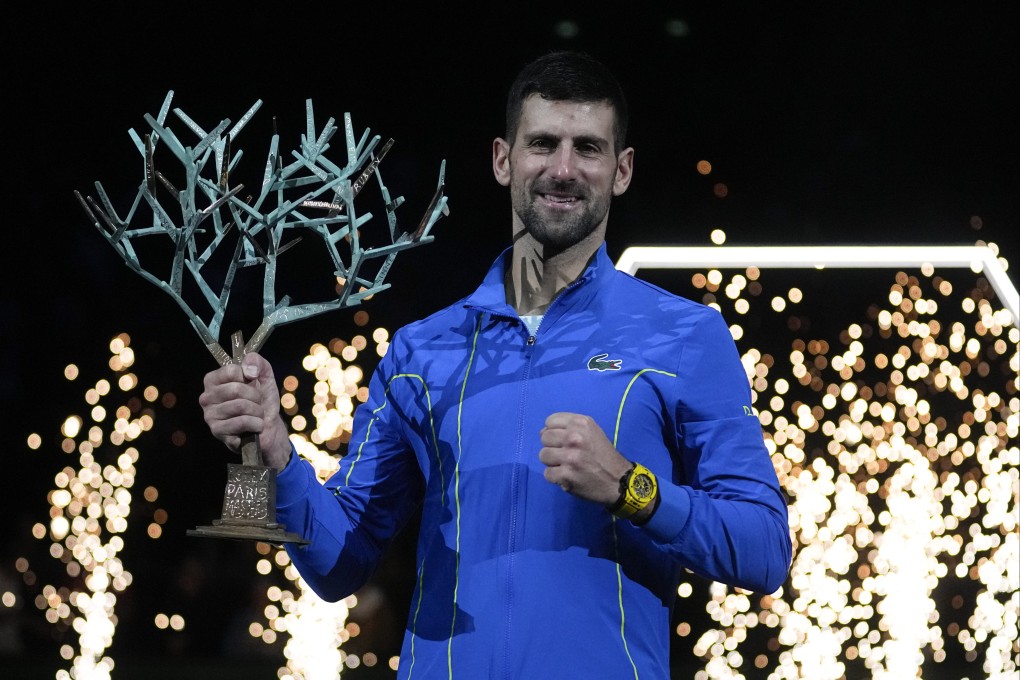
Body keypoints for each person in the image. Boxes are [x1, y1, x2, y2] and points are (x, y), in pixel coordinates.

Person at [200, 49, 792, 679]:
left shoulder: (684, 335)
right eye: (542, 144)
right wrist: (277, 455)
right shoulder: (422, 351)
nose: (563, 169)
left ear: (621, 170)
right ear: (503, 159)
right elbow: (337, 564)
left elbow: (764, 549)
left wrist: (631, 487)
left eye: (588, 149)